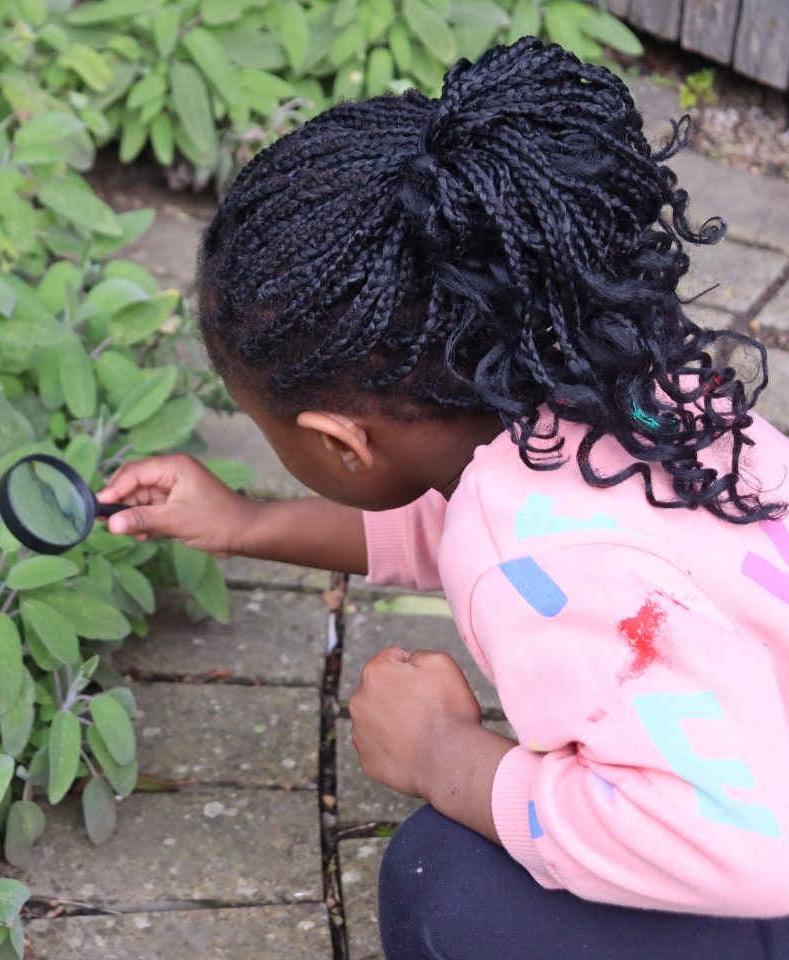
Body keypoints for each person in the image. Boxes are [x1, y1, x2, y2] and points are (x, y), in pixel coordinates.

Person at [97, 37, 789, 960]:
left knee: (446, 890)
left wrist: (447, 759)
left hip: (759, 841)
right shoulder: (607, 377)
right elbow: (445, 513)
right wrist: (248, 524)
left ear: (341, 442)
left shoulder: (526, 556)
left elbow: (749, 846)